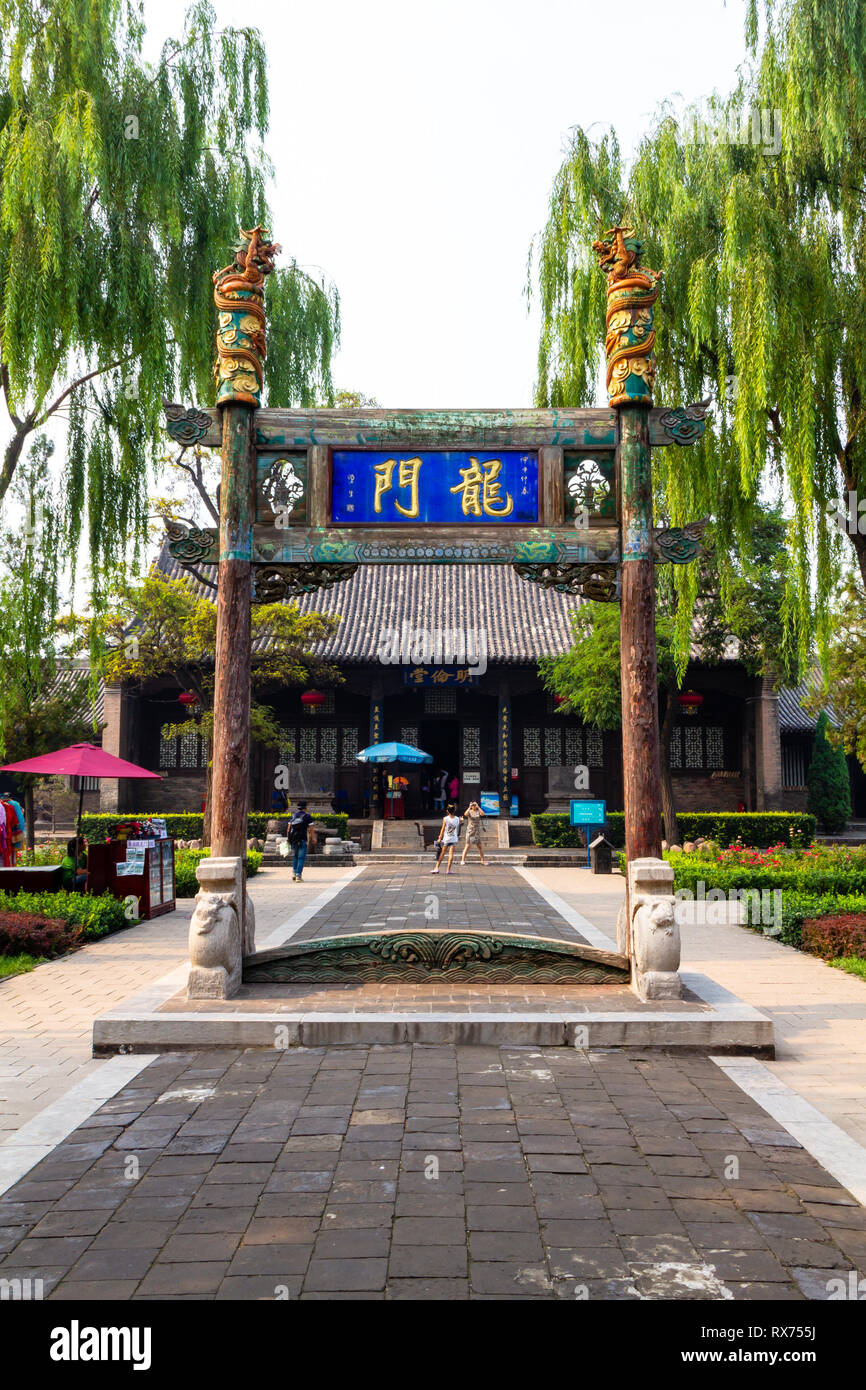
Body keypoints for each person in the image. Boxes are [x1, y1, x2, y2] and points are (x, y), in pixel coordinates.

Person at [431, 803, 461, 875]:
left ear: (447, 811)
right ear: (454, 811)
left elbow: (443, 829)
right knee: (451, 854)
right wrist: (461, 820)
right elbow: (457, 826)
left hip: (446, 839)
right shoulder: (457, 819)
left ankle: (437, 868)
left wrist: (439, 837)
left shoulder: (445, 818)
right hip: (454, 838)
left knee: (442, 853)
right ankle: (448, 870)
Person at [288, 800, 313, 882]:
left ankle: (294, 873)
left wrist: (288, 839)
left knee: (295, 856)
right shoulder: (307, 816)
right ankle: (298, 876)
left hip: (294, 840)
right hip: (302, 839)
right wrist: (313, 838)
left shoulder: (293, 816)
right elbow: (311, 829)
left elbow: (288, 829)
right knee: (301, 858)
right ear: (305, 807)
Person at [461, 800, 487, 866]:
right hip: (470, 830)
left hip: (476, 831)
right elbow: (465, 814)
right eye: (473, 805)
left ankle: (483, 860)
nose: (474, 806)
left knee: (479, 846)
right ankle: (462, 860)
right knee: (467, 845)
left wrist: (478, 807)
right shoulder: (469, 811)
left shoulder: (478, 811)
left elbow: (483, 814)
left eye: (474, 805)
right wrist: (469, 807)